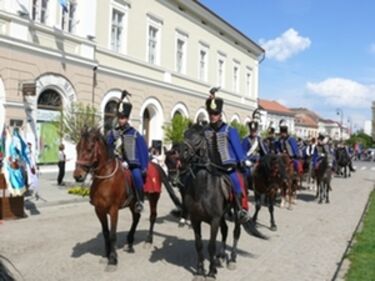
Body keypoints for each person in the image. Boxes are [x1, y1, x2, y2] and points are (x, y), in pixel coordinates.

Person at [203, 87, 251, 223]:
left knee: (236, 183)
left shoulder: (230, 130)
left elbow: (237, 149)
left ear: (220, 114)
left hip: (227, 167)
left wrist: (243, 160)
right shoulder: (205, 130)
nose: (213, 116)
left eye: (215, 113)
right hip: (210, 167)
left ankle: (240, 209)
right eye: (211, 113)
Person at [107, 90, 149, 213]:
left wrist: (143, 167)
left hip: (131, 164)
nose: (121, 120)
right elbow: (108, 145)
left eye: (123, 118)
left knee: (136, 176)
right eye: (119, 118)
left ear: (127, 118)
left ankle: (140, 201)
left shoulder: (134, 134)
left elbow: (143, 151)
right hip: (115, 162)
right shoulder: (114, 133)